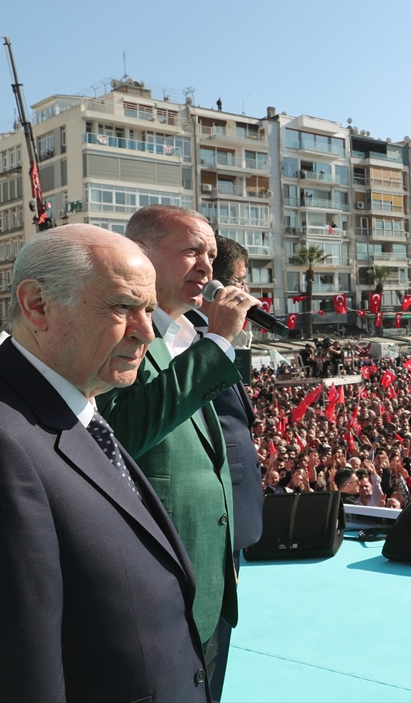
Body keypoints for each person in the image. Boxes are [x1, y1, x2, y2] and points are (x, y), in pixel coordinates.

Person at [0, 225, 209, 701]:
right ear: (37, 306)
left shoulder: (78, 410)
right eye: (122, 307)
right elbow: (11, 674)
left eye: (150, 309)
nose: (146, 332)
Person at [97, 205, 251, 688]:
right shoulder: (118, 332)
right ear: (141, 256)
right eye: (191, 252)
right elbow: (125, 430)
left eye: (210, 253)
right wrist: (221, 341)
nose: (207, 267)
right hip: (158, 586)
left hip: (208, 581)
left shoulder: (187, 334)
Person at [186, 236, 261, 701]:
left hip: (231, 506)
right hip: (209, 504)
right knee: (202, 639)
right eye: (238, 283)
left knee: (219, 636)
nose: (246, 293)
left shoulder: (215, 334)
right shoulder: (186, 334)